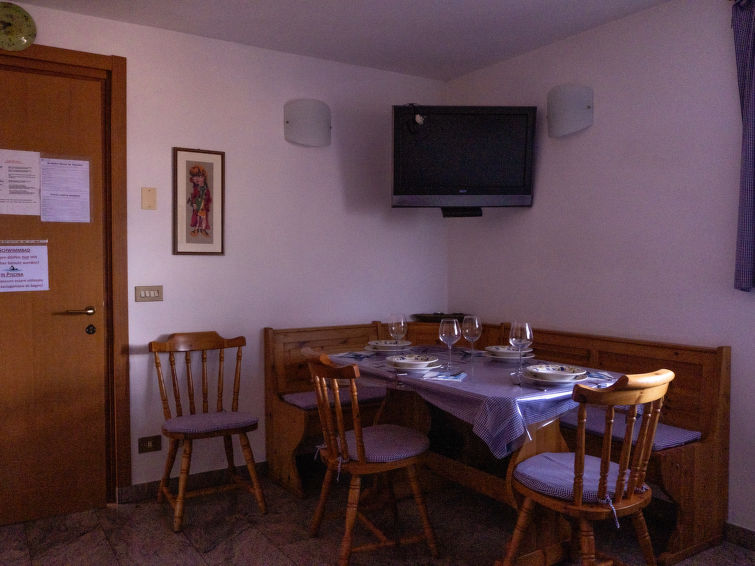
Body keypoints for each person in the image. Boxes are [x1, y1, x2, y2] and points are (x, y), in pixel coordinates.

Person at [187, 165, 212, 236]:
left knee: (203, 218)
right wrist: (193, 203)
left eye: (200, 176)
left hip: (203, 206)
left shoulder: (206, 189)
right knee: (197, 218)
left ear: (204, 177)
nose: (197, 179)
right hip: (197, 205)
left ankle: (203, 230)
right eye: (194, 176)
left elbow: (208, 198)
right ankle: (196, 229)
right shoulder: (195, 188)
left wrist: (206, 204)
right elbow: (193, 197)